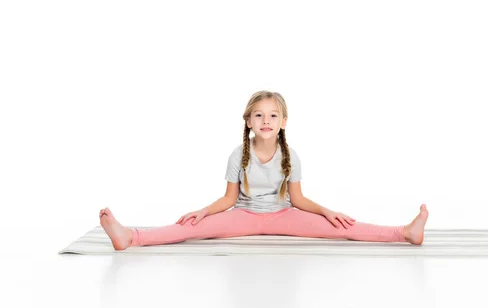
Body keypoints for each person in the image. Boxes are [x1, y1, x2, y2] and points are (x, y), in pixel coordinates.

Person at [99, 90, 429, 251]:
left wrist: (327, 211)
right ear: (248, 121)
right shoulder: (237, 155)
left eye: (273, 116)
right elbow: (229, 199)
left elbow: (297, 199)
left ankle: (404, 233)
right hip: (243, 215)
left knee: (343, 226)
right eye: (259, 116)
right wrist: (203, 212)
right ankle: (131, 237)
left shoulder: (291, 155)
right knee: (188, 228)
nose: (266, 121)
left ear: (283, 122)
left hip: (284, 215)